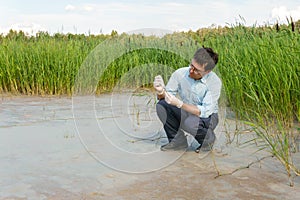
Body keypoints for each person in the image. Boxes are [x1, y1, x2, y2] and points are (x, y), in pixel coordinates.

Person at [153, 47, 222, 153]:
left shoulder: (214, 82)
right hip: (187, 111)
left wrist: (180, 104)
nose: (191, 70)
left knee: (191, 122)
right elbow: (167, 97)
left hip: (208, 116)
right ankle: (177, 141)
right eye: (191, 65)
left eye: (196, 70)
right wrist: (161, 92)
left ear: (207, 71)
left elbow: (204, 111)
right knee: (162, 105)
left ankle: (208, 140)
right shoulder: (180, 73)